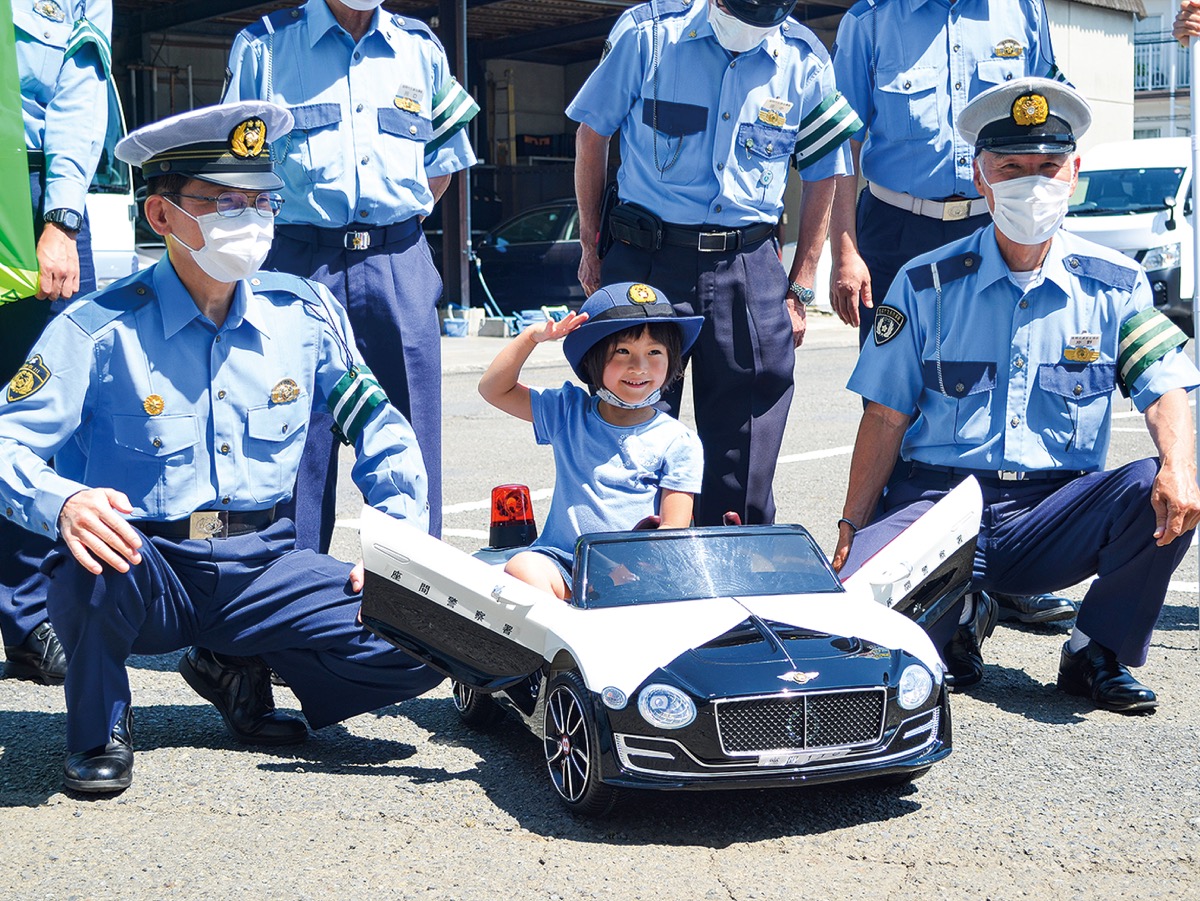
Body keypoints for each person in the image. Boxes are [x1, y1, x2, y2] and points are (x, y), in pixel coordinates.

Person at [0, 101, 442, 793]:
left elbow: (380, 427)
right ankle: (99, 725)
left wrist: (398, 544)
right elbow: (7, 440)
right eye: (226, 201)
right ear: (162, 214)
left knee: (422, 633)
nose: (252, 218)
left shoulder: (303, 313)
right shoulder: (99, 328)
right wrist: (62, 503)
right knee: (88, 567)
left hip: (263, 563)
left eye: (262, 200)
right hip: (148, 564)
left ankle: (234, 664)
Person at [831, 78, 1200, 710]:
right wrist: (851, 527)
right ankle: (961, 613)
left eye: (1047, 167)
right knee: (861, 629)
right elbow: (885, 416)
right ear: (981, 177)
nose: (1032, 183)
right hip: (940, 504)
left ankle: (1096, 650)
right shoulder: (925, 283)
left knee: (1157, 488)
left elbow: (1164, 386)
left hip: (1051, 514)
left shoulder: (1116, 285)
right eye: (1011, 168)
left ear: (1073, 174)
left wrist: (1182, 468)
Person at [827, 0, 1075, 628]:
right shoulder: (870, 21)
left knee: (1010, 383)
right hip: (896, 227)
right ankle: (904, 561)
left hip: (999, 220)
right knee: (896, 402)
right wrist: (845, 249)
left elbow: (1052, 119)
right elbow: (839, 143)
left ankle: (1013, 570)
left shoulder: (1021, 12)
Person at [566, 0, 862, 527]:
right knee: (629, 428)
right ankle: (628, 558)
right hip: (648, 260)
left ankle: (733, 559)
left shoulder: (805, 59)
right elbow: (593, 134)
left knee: (744, 440)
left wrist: (800, 287)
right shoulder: (648, 35)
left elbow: (825, 171)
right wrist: (591, 246)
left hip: (748, 265)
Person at [222, 0, 479, 548]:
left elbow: (442, 165)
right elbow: (233, 175)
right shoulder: (265, 48)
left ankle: (410, 585)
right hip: (298, 261)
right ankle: (293, 581)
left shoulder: (420, 49)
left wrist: (392, 225)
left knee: (410, 436)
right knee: (293, 436)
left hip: (396, 262)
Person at [1, 0, 110, 685]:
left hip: (30, 202)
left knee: (42, 413)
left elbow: (79, 91)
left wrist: (61, 219)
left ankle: (32, 609)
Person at [478, 283, 704, 600]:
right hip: (562, 562)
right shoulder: (568, 411)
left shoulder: (678, 440)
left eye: (654, 352)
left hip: (633, 570)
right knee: (522, 567)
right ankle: (560, 625)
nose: (639, 367)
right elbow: (493, 389)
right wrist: (531, 337)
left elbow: (673, 530)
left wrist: (629, 570)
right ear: (592, 359)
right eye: (622, 352)